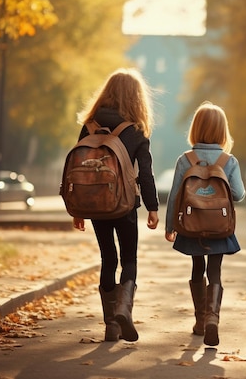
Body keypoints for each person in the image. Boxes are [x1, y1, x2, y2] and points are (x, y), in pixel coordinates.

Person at [72, 68, 160, 343]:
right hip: (124, 205)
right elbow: (145, 172)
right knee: (129, 259)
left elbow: (79, 167)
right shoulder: (134, 130)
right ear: (136, 98)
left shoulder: (89, 126)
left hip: (95, 204)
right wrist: (152, 207)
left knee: (107, 258)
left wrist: (78, 209)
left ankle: (111, 324)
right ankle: (124, 308)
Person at [164, 101, 245, 346]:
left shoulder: (185, 159)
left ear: (196, 128)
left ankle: (200, 321)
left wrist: (170, 227)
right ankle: (213, 319)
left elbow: (175, 197)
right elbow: (239, 195)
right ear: (223, 131)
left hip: (191, 224)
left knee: (197, 268)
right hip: (219, 227)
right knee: (215, 271)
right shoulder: (228, 160)